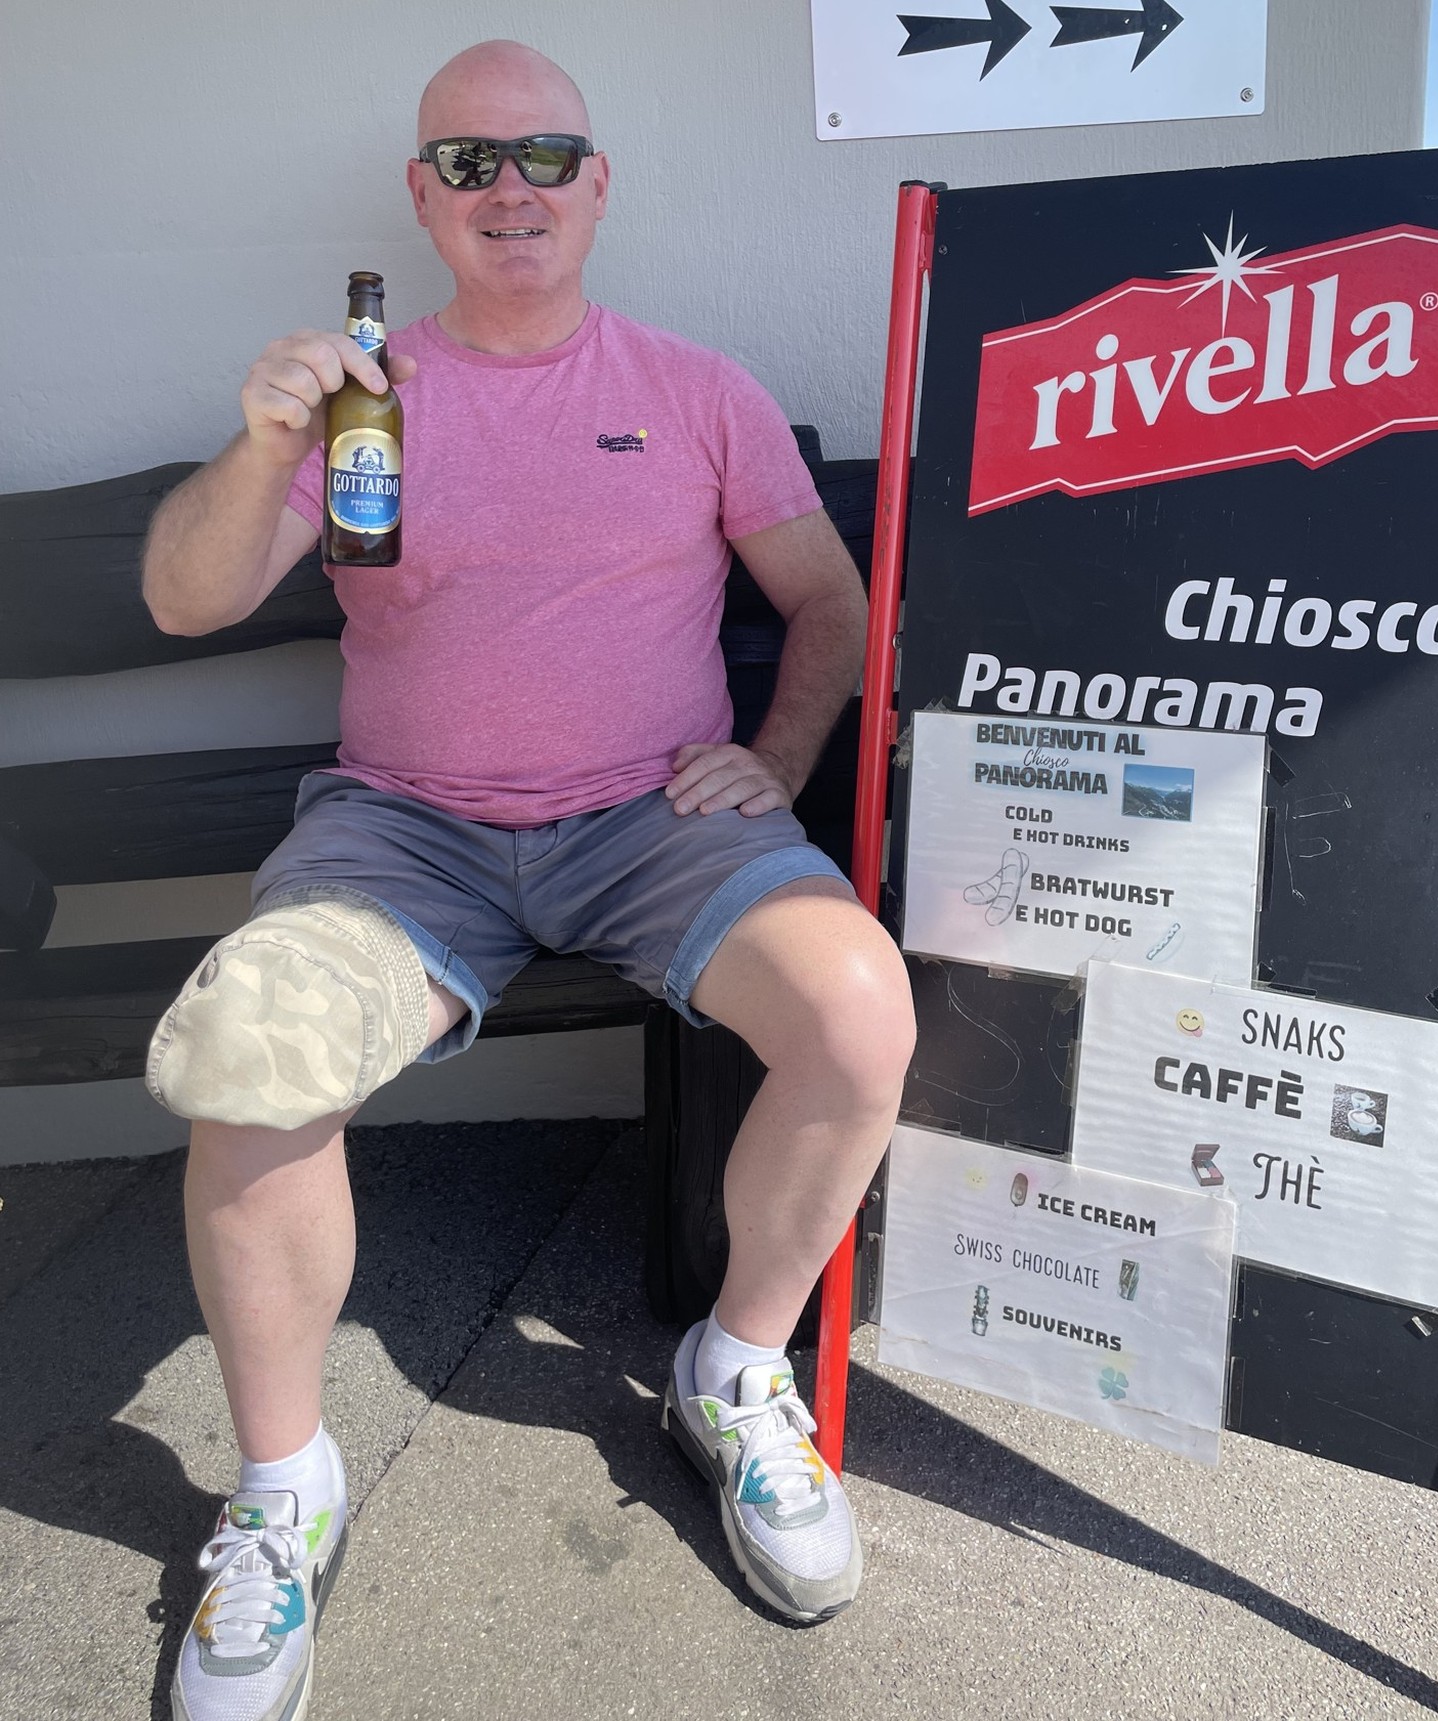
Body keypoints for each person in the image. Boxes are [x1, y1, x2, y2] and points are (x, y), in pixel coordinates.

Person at [140, 38, 916, 1721]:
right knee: (252, 1045)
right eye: (473, 163)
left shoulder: (696, 388)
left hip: (653, 825)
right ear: (422, 198)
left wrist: (772, 765)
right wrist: (259, 446)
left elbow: (835, 607)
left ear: (598, 186)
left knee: (860, 1009)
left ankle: (735, 1369)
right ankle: (281, 1491)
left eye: (545, 156)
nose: (513, 190)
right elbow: (186, 600)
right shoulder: (364, 396)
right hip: (404, 829)